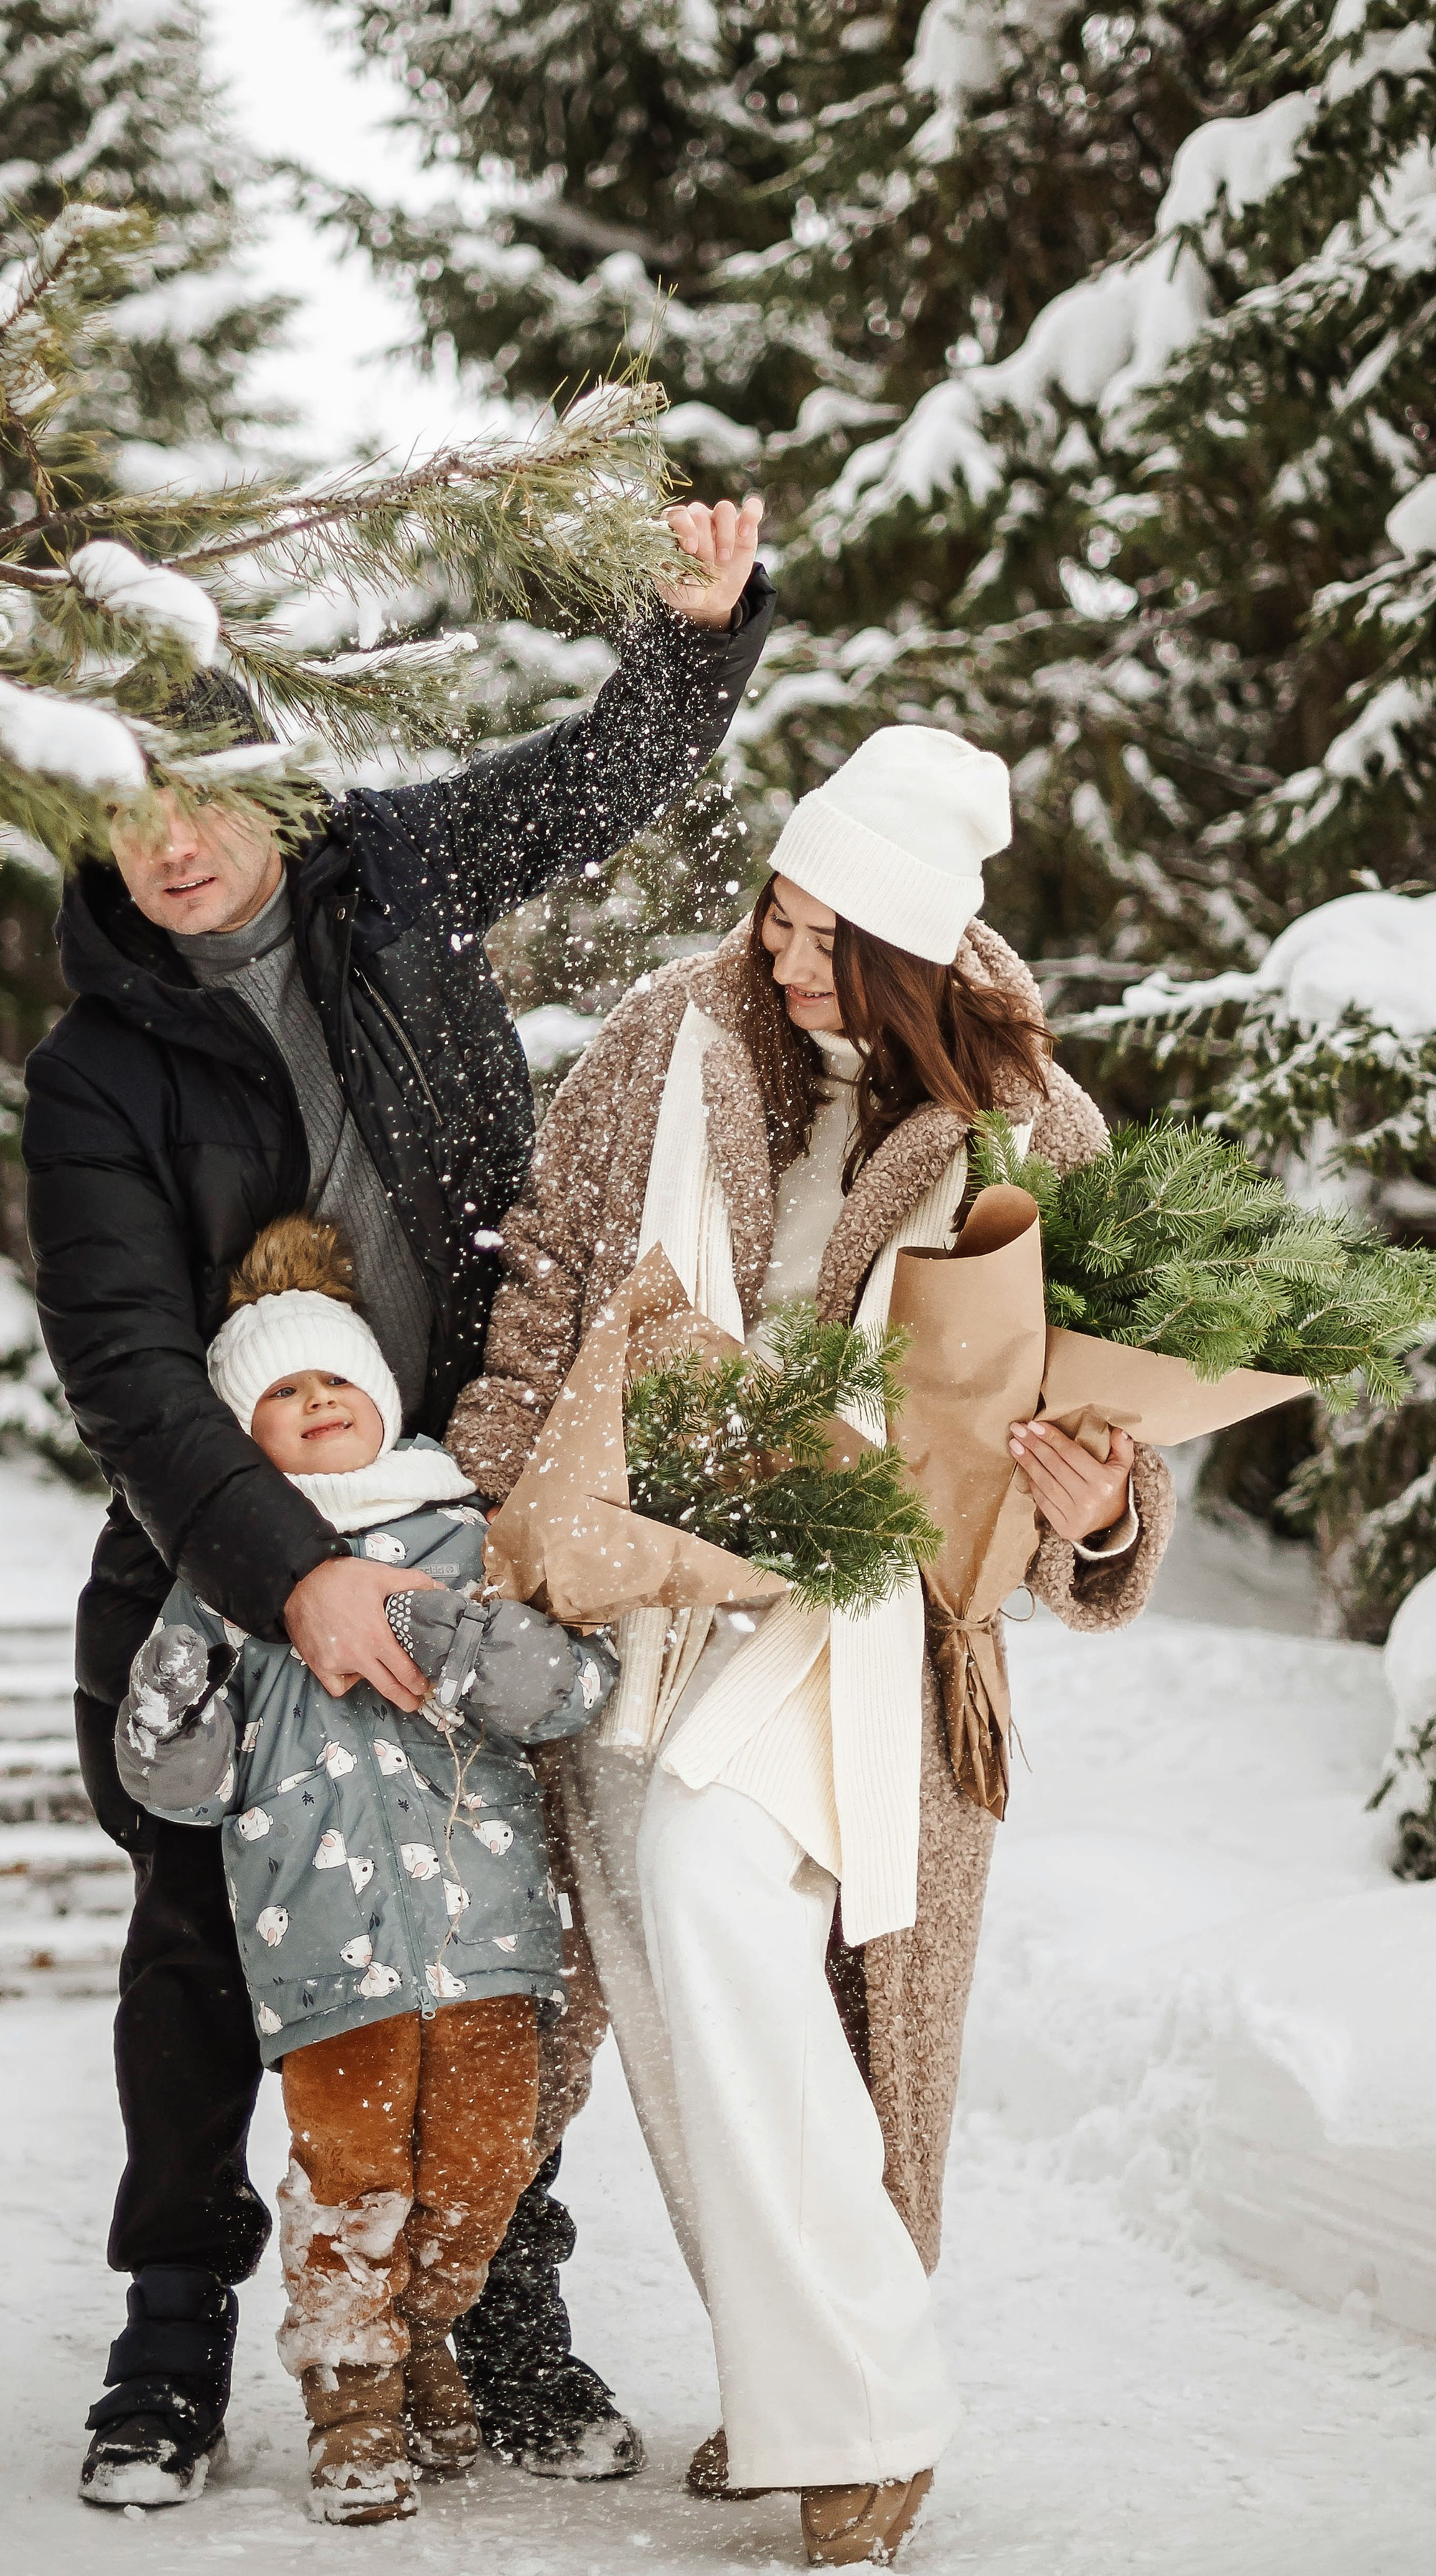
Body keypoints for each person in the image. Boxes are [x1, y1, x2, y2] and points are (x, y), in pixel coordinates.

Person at [22, 497, 771, 2508]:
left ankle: (499, 2317)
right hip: (216, 1545)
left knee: (497, 1940)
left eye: (198, 794)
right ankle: (170, 2343)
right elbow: (127, 1370)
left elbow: (592, 781)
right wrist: (285, 1584)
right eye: (124, 816)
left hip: (451, 1525)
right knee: (194, 1939)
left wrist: (696, 641)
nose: (171, 845)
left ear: (268, 772)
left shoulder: (397, 881)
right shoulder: (97, 1068)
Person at [448, 725, 1177, 2569]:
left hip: (871, 1631)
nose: (773, 950)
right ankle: (803, 2384)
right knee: (687, 1986)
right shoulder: (661, 1047)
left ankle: (858, 2408)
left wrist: (1089, 1504)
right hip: (650, 1578)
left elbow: (1106, 1444)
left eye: (816, 927)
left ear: (913, 946)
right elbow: (545, 1281)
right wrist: (488, 1519)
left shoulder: (1038, 1135)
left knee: (707, 1891)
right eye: (771, 909)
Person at [111, 1216, 616, 2524]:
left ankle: (427, 2335)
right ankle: (354, 2402)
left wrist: (455, 1636)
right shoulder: (229, 1586)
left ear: (383, 1399)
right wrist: (174, 1680)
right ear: (243, 1439)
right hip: (324, 1954)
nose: (316, 1399)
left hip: (493, 1935)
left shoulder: (468, 1534)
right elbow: (179, 1782)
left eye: (333, 1376)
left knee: (488, 2160)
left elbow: (571, 1687)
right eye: (280, 1393)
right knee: (352, 2178)